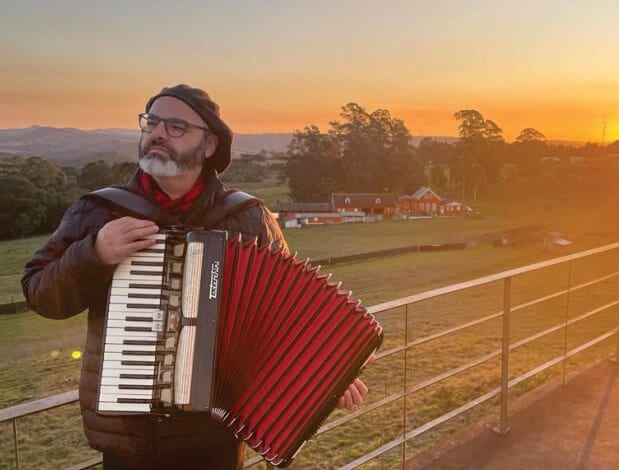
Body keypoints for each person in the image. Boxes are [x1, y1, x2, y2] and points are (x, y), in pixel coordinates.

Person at [22, 84, 369, 469]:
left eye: (175, 126)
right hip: (128, 445)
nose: (156, 133)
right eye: (151, 122)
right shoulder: (99, 211)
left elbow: (289, 316)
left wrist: (325, 374)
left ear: (208, 146)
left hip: (216, 440)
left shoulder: (247, 216)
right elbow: (39, 293)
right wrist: (95, 253)